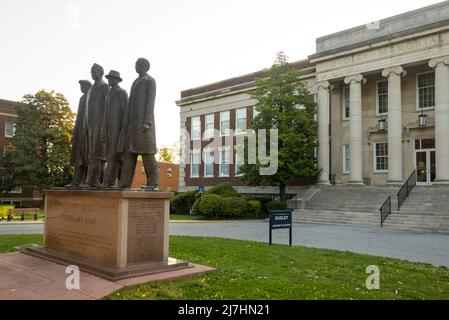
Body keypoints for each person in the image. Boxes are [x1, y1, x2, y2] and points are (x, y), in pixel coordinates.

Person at [118, 58, 160, 190]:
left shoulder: (149, 81)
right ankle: (125, 183)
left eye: (137, 64)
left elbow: (150, 102)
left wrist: (147, 122)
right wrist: (126, 125)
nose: (135, 66)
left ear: (144, 66)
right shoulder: (135, 81)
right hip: (132, 126)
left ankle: (152, 183)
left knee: (147, 154)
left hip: (144, 126)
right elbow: (130, 105)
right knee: (129, 155)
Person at [80, 63, 109, 188]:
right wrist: (85, 127)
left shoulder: (105, 87)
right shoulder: (91, 89)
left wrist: (104, 126)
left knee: (97, 154)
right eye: (91, 71)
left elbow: (107, 108)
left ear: (101, 72)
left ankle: (92, 181)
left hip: (100, 126)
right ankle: (96, 181)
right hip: (90, 126)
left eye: (95, 71)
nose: (92, 73)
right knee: (92, 153)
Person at [99, 70, 128, 188]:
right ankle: (111, 181)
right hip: (108, 130)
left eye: (111, 78)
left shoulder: (122, 92)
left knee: (115, 156)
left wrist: (123, 132)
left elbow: (126, 113)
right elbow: (105, 114)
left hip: (118, 130)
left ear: (116, 80)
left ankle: (109, 181)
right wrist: (103, 130)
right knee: (111, 156)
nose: (109, 80)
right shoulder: (109, 94)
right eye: (108, 78)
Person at [66, 80, 91, 188]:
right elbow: (78, 117)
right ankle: (76, 181)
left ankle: (86, 180)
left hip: (88, 132)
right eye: (80, 86)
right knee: (78, 158)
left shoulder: (91, 97)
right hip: (80, 132)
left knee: (86, 158)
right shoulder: (82, 98)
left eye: (83, 86)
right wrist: (74, 133)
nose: (81, 88)